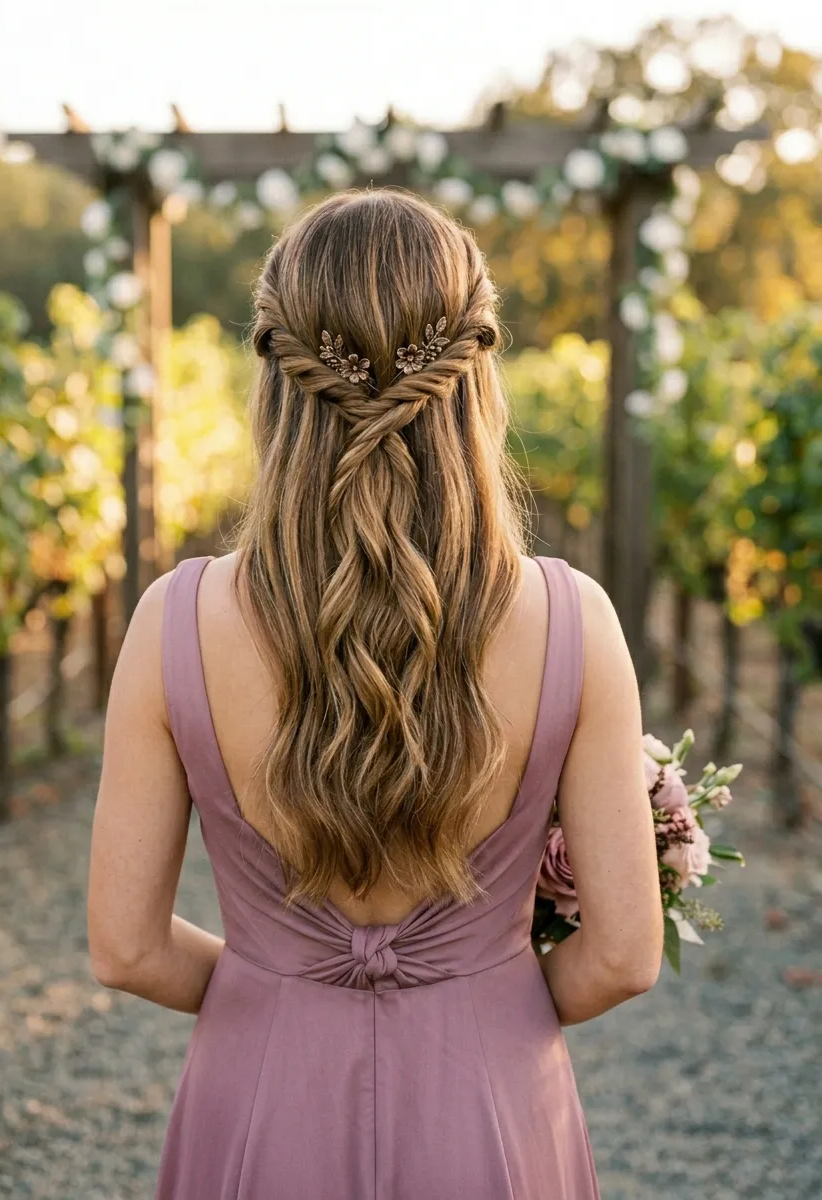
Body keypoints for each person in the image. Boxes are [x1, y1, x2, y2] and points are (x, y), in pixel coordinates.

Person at [87, 189, 664, 1199]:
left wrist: (275, 990)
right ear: (475, 380)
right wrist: (481, 996)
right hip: (491, 1102)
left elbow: (126, 949)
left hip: (256, 1096)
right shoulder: (574, 622)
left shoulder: (170, 621)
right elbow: (620, 956)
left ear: (272, 380)